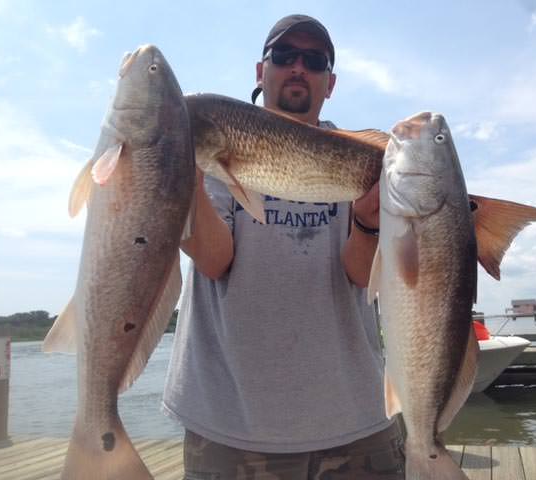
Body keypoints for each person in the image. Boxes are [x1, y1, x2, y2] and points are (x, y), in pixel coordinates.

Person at [163, 14, 405, 479]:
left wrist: (369, 224)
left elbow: (360, 276)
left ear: (329, 83)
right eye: (284, 56)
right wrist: (183, 170)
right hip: (230, 424)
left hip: (357, 419)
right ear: (261, 71)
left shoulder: (366, 162)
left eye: (314, 60)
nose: (298, 67)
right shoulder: (215, 135)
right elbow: (215, 260)